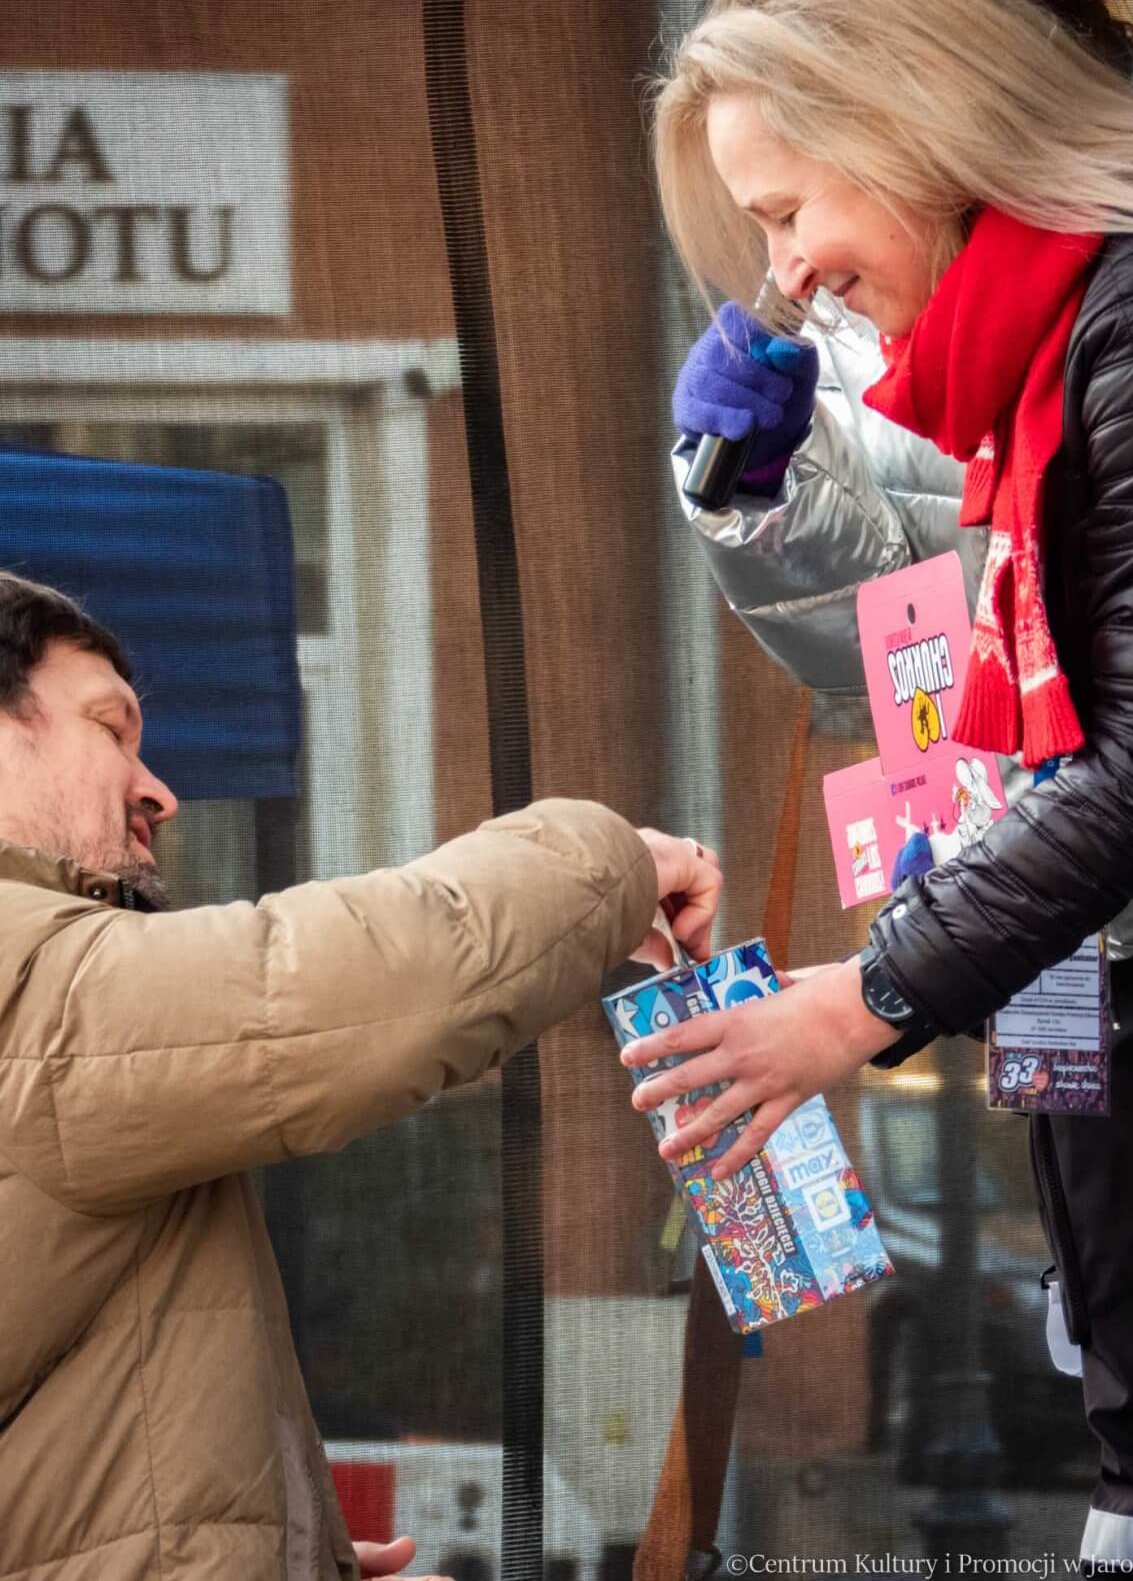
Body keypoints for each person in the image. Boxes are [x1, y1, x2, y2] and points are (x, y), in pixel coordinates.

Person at [626, 0, 1133, 1569]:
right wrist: (744, 493)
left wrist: (864, 993)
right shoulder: (1026, 318)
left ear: (911, 100)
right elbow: (937, 630)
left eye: (783, 210)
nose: (784, 269)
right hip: (1096, 944)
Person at [0, 570, 722, 1581]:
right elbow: (336, 988)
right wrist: (610, 863)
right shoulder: (26, 982)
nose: (157, 789)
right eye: (112, 729)